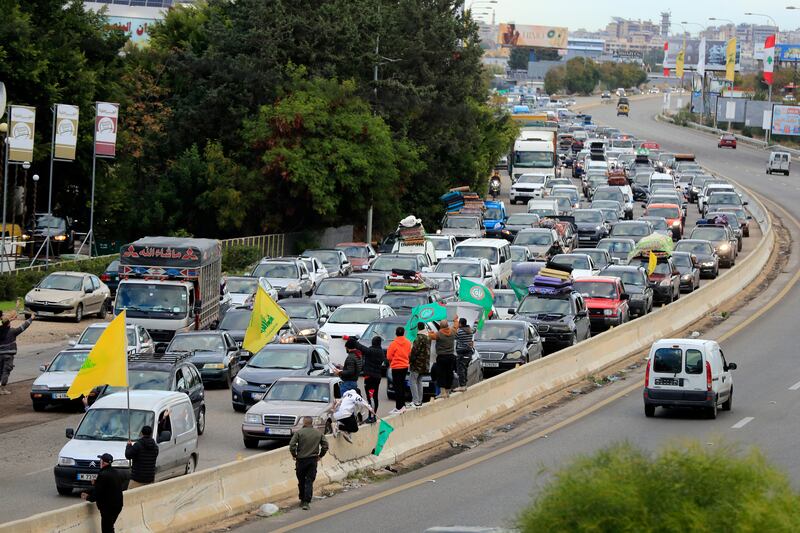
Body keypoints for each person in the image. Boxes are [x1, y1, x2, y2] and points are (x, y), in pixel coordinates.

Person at [288, 416, 329, 510]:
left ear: (304, 422)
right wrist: (320, 455)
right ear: (312, 423)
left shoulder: (299, 432)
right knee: (309, 480)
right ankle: (307, 501)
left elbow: (292, 445)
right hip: (312, 460)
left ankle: (302, 499)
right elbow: (325, 445)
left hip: (301, 460)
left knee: (301, 480)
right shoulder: (318, 433)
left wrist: (294, 455)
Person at [81, 453, 124, 533]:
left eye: (101, 460)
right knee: (109, 527)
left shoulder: (103, 475)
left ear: (103, 463)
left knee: (106, 529)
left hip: (108, 508)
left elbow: (98, 493)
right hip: (118, 506)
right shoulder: (115, 472)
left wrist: (87, 497)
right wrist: (97, 483)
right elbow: (108, 486)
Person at [0, 311, 34, 394]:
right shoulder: (12, 331)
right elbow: (23, 326)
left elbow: (3, 324)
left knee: (0, 371)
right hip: (8, 355)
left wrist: (10, 319)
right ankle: (2, 389)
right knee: (6, 371)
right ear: (8, 324)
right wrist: (31, 318)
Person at [354, 336, 384, 423]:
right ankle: (373, 416)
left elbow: (361, 347)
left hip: (369, 377)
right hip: (377, 377)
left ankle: (371, 417)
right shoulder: (381, 352)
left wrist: (353, 340)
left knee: (370, 397)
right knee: (375, 396)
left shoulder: (371, 351)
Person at [386, 326, 411, 414]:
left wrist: (392, 361)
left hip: (396, 367)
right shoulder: (408, 343)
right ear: (403, 333)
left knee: (397, 387)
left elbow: (388, 356)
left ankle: (399, 407)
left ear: (396, 333)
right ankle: (401, 406)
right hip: (404, 366)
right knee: (401, 386)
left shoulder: (393, 344)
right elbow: (409, 353)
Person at [429, 319, 456, 399]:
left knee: (441, 375)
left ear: (440, 326)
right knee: (449, 374)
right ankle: (448, 392)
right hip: (451, 356)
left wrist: (430, 332)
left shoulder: (439, 334)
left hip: (441, 357)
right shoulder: (453, 332)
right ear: (447, 325)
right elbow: (455, 326)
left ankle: (443, 392)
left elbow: (431, 337)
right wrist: (455, 320)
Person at [408, 323, 430, 408]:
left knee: (412, 381)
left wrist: (410, 361)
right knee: (419, 381)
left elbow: (414, 352)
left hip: (417, 364)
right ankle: (420, 400)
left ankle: (415, 401)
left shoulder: (418, 338)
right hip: (425, 364)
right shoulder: (427, 338)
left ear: (418, 328)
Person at [455, 318, 475, 392]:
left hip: (462, 352)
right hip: (469, 352)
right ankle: (464, 384)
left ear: (460, 324)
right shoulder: (470, 330)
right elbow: (474, 330)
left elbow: (454, 337)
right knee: (465, 368)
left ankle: (462, 386)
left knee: (461, 369)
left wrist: (455, 327)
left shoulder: (460, 331)